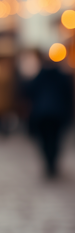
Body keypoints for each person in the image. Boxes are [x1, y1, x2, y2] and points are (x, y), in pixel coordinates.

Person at [24, 50, 73, 178]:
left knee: (44, 139)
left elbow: (29, 91)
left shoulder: (39, 75)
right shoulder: (62, 76)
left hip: (41, 113)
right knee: (55, 139)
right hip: (58, 113)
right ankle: (52, 162)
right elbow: (68, 95)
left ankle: (48, 162)